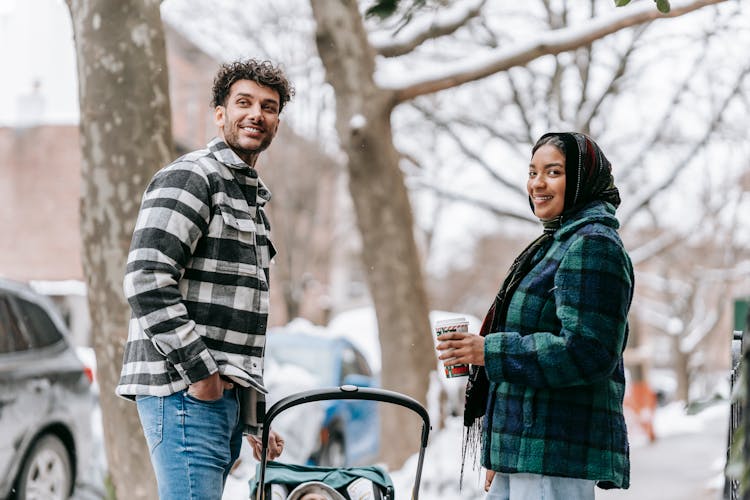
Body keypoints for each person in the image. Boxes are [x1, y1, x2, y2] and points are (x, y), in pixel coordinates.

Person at [116, 58, 294, 499]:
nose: (257, 114)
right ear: (220, 114)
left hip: (217, 402)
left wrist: (252, 416)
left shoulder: (250, 202)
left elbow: (236, 322)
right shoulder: (193, 176)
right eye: (244, 102)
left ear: (276, 122)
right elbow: (146, 278)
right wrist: (203, 379)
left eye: (269, 107)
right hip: (182, 393)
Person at [436, 132, 633, 500]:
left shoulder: (593, 245)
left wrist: (488, 351)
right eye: (532, 172)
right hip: (526, 456)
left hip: (554, 456)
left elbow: (588, 352)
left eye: (553, 172)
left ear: (580, 179)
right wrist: (502, 451)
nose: (537, 183)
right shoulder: (556, 243)